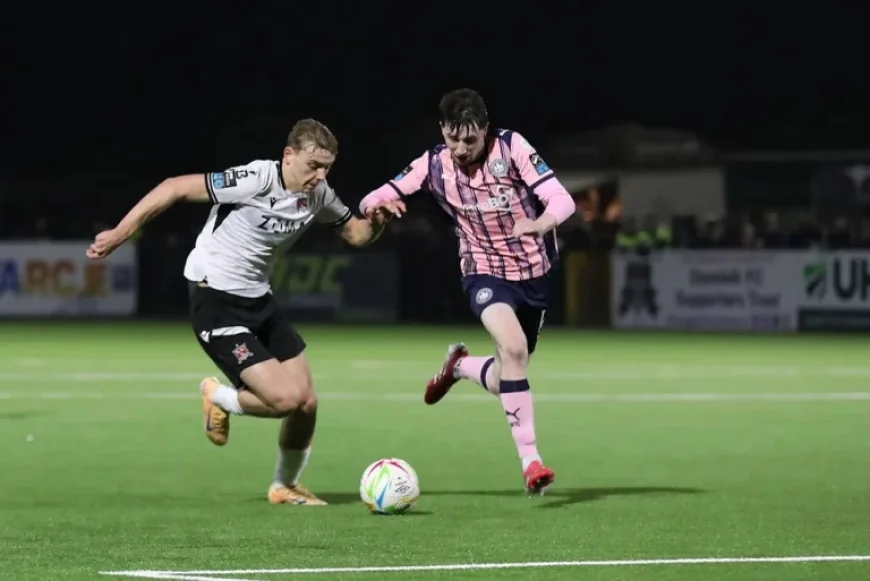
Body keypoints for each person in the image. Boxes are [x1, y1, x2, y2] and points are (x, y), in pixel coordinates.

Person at [87, 119, 401, 505]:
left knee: (307, 404)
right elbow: (174, 187)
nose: (320, 176)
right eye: (313, 166)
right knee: (285, 400)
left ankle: (284, 486)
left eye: (327, 168)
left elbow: (356, 234)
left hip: (258, 300)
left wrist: (378, 222)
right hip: (215, 299)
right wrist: (121, 232)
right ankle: (218, 396)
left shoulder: (317, 194)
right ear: (288, 156)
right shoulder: (256, 178)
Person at [359, 89, 576, 495]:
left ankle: (459, 366)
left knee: (506, 375)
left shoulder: (512, 148)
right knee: (513, 350)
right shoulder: (433, 163)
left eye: (470, 140)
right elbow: (376, 194)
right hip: (482, 271)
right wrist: (378, 206)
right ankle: (531, 462)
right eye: (453, 138)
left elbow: (562, 201)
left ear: (485, 131)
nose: (460, 148)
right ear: (443, 130)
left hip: (533, 275)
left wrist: (540, 223)